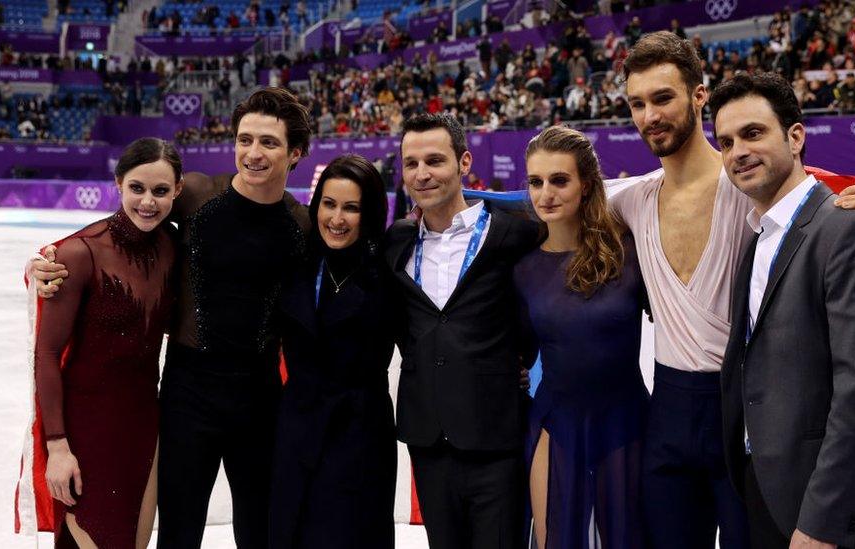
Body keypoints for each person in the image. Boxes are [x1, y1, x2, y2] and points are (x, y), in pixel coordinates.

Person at [611, 31, 855, 549]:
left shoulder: (756, 193)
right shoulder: (636, 200)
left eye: (662, 98)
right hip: (676, 413)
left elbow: (824, 211)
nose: (649, 115)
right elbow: (537, 201)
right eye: (637, 103)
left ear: (698, 96)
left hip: (751, 419)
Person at [28, 87, 314, 547]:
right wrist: (44, 261)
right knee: (178, 534)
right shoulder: (198, 195)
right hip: (188, 395)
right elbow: (128, 224)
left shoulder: (301, 224)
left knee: (261, 534)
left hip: (260, 401)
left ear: (295, 153)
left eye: (269, 142)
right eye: (244, 139)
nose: (253, 153)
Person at [710, 72, 855, 549]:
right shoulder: (759, 234)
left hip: (839, 518)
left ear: (796, 136)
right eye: (725, 142)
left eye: (753, 133)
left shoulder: (852, 226)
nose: (738, 151)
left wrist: (822, 523)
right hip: (773, 494)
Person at [15, 138, 183, 547]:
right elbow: (47, 354)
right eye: (137, 188)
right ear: (118, 183)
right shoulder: (78, 254)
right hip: (86, 429)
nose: (148, 202)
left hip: (144, 422)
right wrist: (57, 447)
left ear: (177, 191)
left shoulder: (173, 246)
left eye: (160, 191)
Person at [384, 113, 540, 549]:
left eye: (435, 160)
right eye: (411, 163)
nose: (422, 173)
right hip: (428, 437)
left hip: (496, 436)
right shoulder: (396, 242)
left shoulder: (515, 234)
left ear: (464, 162)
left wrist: (525, 365)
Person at [516, 126, 648, 549]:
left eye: (559, 180)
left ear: (586, 184)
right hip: (555, 425)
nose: (545, 194)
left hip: (626, 424)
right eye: (536, 182)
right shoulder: (523, 269)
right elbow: (515, 348)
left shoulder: (630, 252)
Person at [269, 154, 397, 548]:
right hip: (297, 430)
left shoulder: (389, 271)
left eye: (351, 208)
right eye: (329, 204)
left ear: (370, 212)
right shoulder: (297, 260)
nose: (337, 219)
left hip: (358, 435)